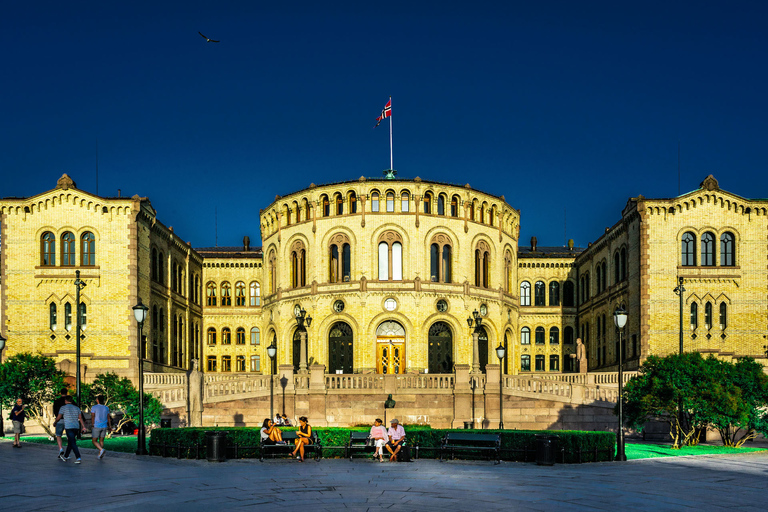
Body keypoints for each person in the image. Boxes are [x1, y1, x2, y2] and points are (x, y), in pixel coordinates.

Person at [55, 395, 87, 464]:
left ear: (65, 401)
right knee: (70, 441)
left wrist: (55, 422)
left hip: (69, 427)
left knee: (72, 442)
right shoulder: (77, 408)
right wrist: (83, 426)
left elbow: (58, 417)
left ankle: (78, 457)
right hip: (76, 427)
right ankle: (66, 456)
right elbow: (80, 418)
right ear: (72, 401)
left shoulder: (63, 408)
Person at [90, 395, 112, 459]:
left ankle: (101, 450)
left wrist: (92, 424)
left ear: (97, 400)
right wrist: (110, 426)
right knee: (101, 440)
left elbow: (93, 416)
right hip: (104, 426)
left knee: (94, 440)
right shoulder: (106, 408)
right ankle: (100, 454)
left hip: (97, 425)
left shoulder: (94, 407)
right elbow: (108, 418)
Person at [52, 388, 68, 456]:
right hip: (68, 420)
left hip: (59, 420)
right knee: (69, 435)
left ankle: (60, 448)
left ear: (60, 393)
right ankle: (68, 450)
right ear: (66, 393)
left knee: (58, 435)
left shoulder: (57, 401)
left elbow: (55, 411)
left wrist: (56, 420)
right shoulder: (69, 401)